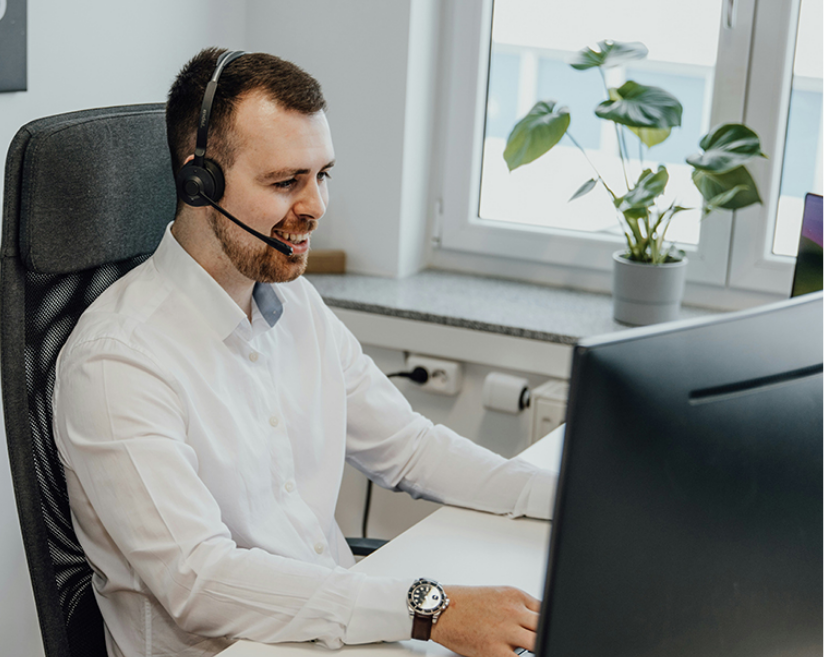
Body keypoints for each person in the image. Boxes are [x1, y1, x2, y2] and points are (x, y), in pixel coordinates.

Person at [52, 48, 557, 657]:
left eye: (322, 175)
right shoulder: (118, 361)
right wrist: (431, 610)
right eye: (285, 181)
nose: (315, 206)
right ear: (198, 181)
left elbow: (410, 447)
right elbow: (198, 581)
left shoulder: (298, 306)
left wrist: (563, 498)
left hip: (330, 633)